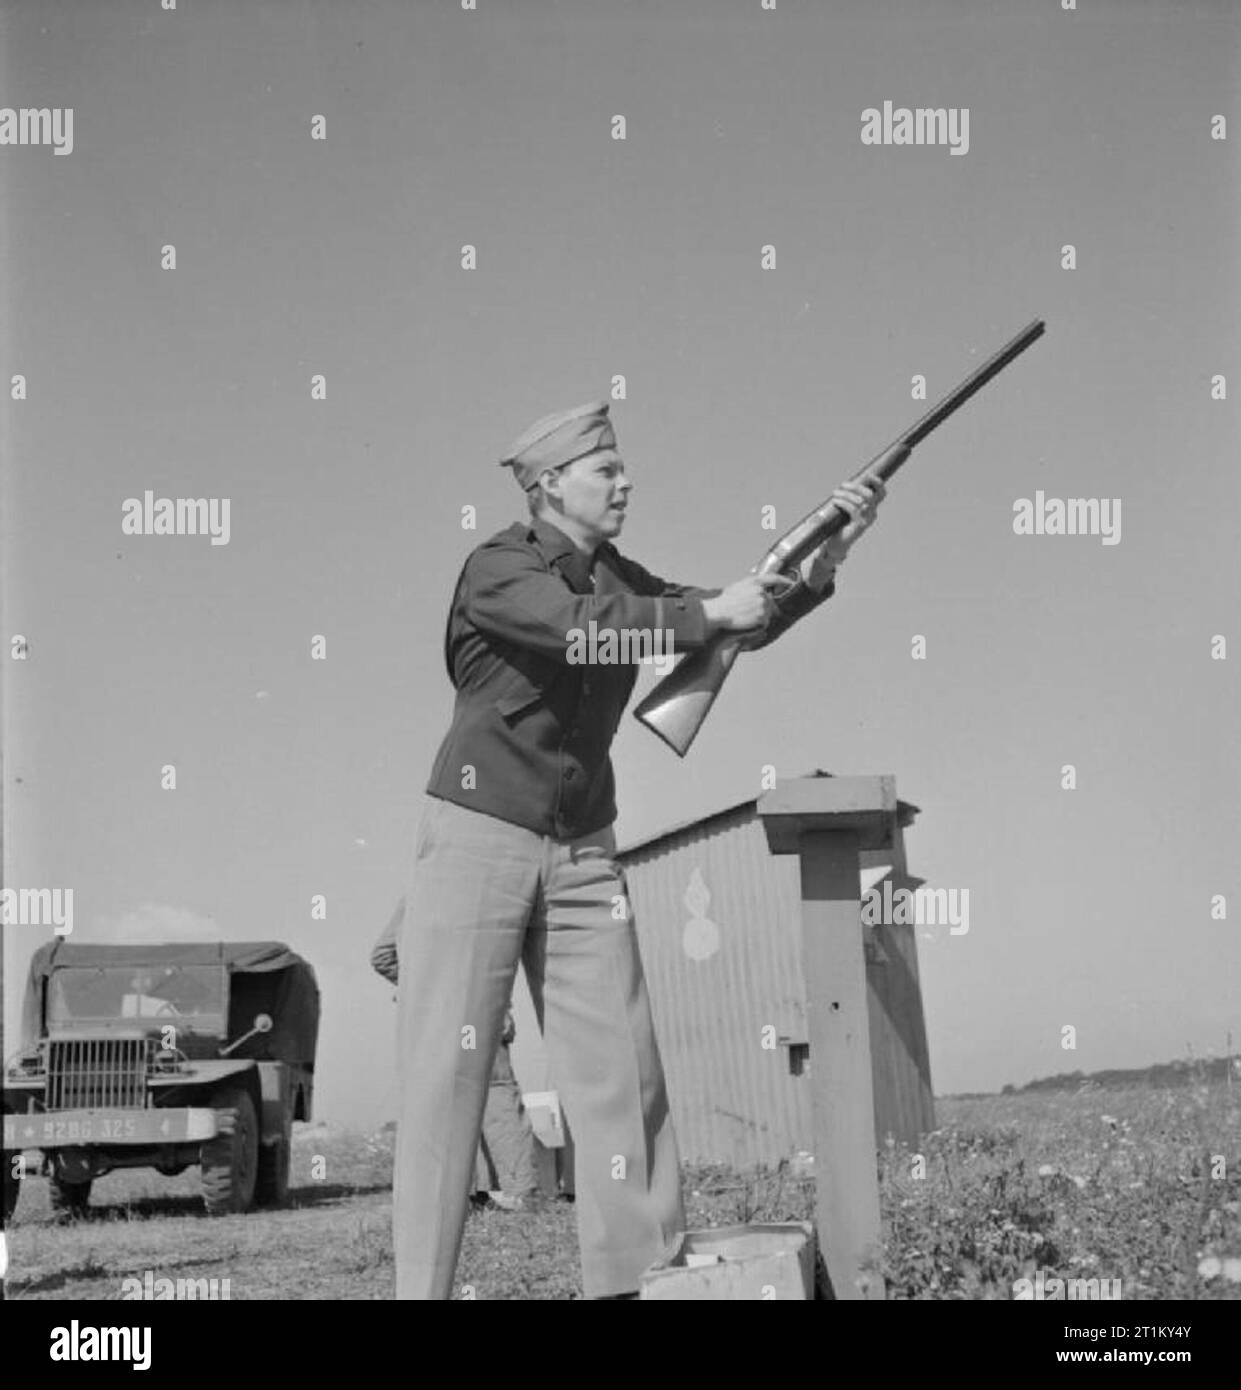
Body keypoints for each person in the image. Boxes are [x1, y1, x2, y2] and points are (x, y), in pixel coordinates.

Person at [394, 399, 884, 1300]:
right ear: (548, 485)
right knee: (445, 1083)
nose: (626, 482)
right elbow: (585, 631)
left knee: (622, 1076)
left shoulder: (615, 573)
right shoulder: (499, 567)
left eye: (622, 468)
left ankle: (635, 1286)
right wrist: (705, 615)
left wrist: (821, 561)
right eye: (605, 471)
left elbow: (726, 619)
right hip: (479, 837)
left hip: (584, 846)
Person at [370, 898, 541, 1208]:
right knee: (498, 1098)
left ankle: (468, 1193)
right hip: (481, 1011)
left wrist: (423, 987)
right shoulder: (483, 892)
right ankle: (522, 1192)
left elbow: (382, 956)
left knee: (454, 1103)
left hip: (436, 1022)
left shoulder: (415, 897)